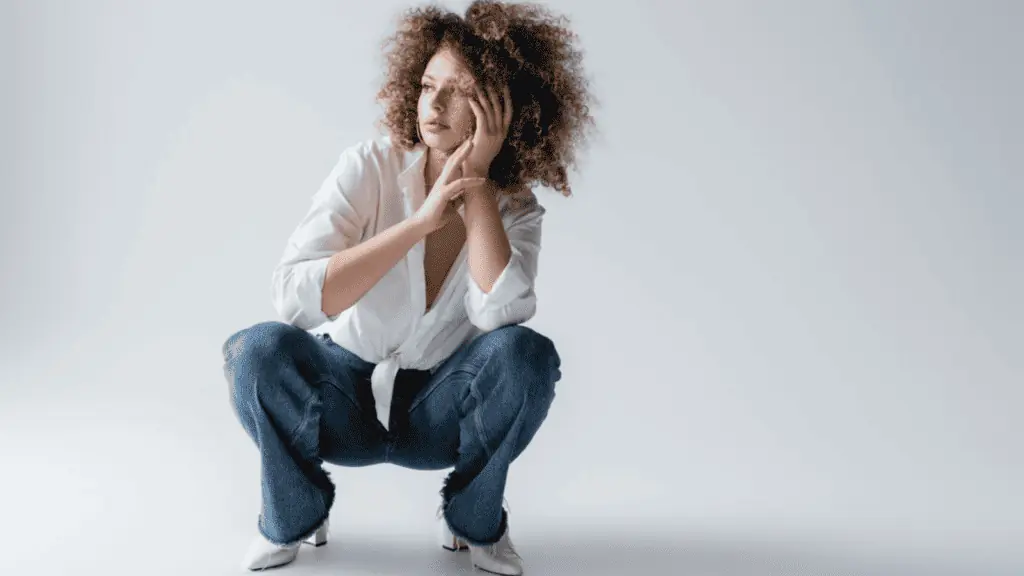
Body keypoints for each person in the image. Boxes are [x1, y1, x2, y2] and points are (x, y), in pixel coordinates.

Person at [221, 0, 594, 572]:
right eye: (426, 85)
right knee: (256, 350)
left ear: (501, 111)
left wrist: (475, 188)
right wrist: (417, 225)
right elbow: (294, 296)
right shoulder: (368, 167)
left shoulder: (515, 210)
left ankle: (473, 521)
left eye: (459, 92)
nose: (434, 105)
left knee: (529, 355)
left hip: (441, 411)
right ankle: (294, 512)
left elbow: (502, 318)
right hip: (340, 398)